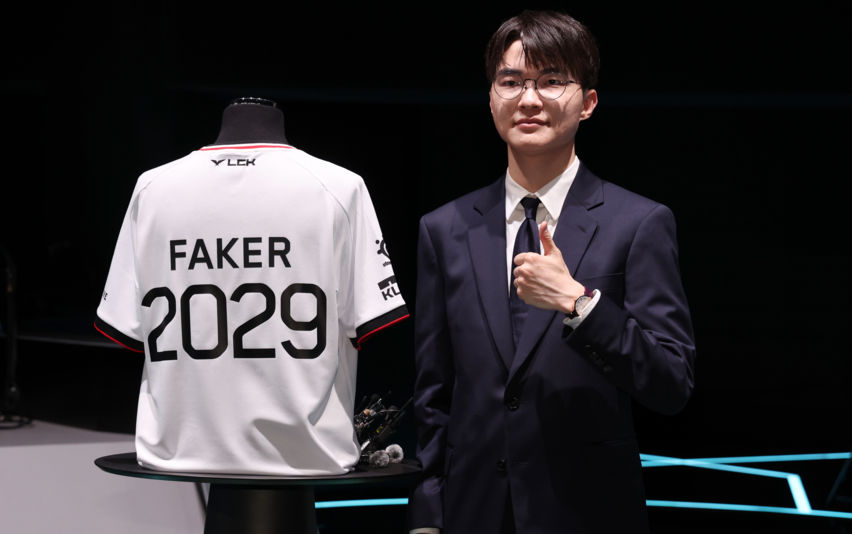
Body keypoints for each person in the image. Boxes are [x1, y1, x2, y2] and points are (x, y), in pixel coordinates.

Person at [407, 11, 695, 533]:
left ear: (588, 103)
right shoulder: (444, 229)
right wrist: (427, 517)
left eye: (551, 81)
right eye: (511, 82)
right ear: (491, 98)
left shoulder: (639, 223)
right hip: (474, 513)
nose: (529, 99)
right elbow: (433, 394)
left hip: (588, 513)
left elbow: (671, 382)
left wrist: (580, 305)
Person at [95, 97, 408, 476]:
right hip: (310, 456)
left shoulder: (153, 188)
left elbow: (125, 325)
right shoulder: (337, 187)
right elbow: (369, 318)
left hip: (176, 451)